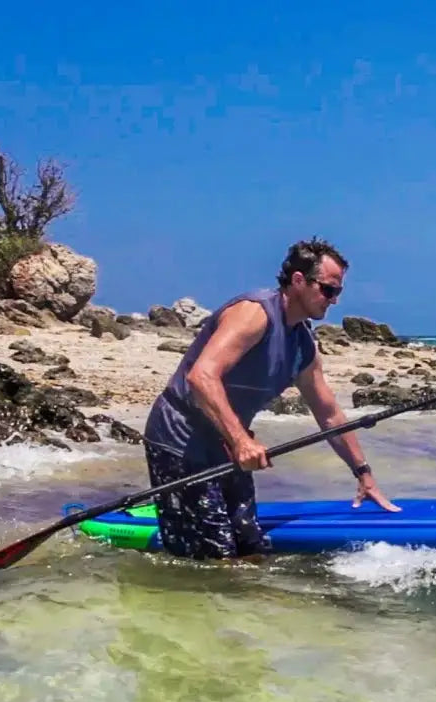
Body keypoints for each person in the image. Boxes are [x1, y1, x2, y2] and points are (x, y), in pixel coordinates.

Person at [142, 237, 400, 560]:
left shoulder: (303, 345)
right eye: (328, 290)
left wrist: (363, 473)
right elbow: (201, 377)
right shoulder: (254, 314)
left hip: (226, 443)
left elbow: (329, 414)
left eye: (338, 292)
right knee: (216, 556)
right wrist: (240, 440)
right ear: (298, 281)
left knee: (252, 544)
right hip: (180, 440)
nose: (333, 301)